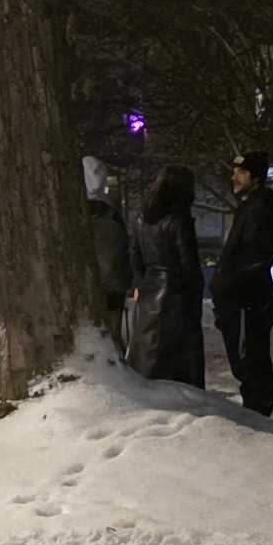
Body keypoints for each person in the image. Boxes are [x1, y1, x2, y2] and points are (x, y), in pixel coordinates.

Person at [214, 152, 273, 416]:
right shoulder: (249, 207)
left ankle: (259, 415)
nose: (234, 177)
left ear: (256, 178)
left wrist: (230, 285)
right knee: (246, 361)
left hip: (247, 301)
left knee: (251, 361)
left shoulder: (259, 210)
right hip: (240, 299)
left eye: (241, 172)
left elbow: (256, 258)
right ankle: (257, 410)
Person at [127, 165, 209, 386]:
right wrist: (195, 292)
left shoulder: (141, 218)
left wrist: (140, 283)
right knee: (178, 358)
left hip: (149, 291)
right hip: (176, 294)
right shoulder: (179, 220)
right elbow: (188, 262)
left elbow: (135, 256)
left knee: (147, 353)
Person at [81, 157, 134, 347]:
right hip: (114, 286)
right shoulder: (112, 213)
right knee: (112, 337)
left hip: (92, 286)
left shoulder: (79, 212)